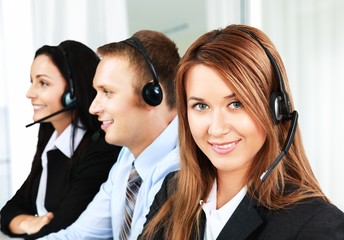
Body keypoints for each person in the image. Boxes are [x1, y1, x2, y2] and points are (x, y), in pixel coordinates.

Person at [141, 24, 344, 240]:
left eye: (236, 104)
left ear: (276, 109)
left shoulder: (316, 225)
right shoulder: (173, 193)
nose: (217, 128)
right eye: (201, 106)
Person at [39, 30, 180, 240]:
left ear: (153, 95)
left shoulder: (186, 169)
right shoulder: (127, 159)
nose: (93, 108)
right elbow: (78, 236)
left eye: (107, 92)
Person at [0, 40, 122, 239]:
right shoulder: (51, 146)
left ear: (72, 93)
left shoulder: (100, 151)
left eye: (43, 83)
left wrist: (29, 226)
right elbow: (8, 212)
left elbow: (61, 230)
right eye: (32, 82)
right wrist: (26, 222)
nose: (30, 93)